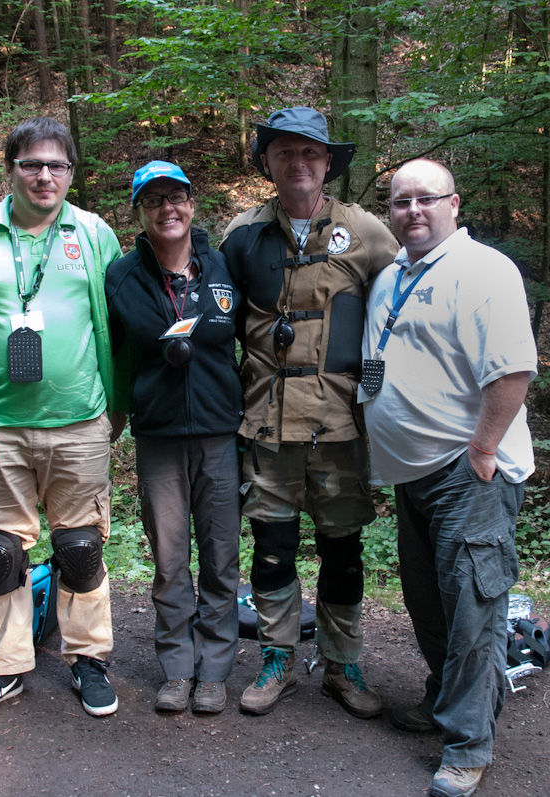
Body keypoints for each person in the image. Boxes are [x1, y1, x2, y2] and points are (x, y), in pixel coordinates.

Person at [0, 116, 123, 725]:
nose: (45, 175)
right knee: (0, 549)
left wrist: (120, 409)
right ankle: (4, 668)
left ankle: (88, 659)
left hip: (82, 420)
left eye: (57, 165)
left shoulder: (93, 234)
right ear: (9, 167)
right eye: (32, 164)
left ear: (71, 172)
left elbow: (124, 320)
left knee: (81, 545)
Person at [360, 159, 537, 797]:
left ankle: (466, 746)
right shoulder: (390, 278)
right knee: (429, 605)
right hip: (412, 475)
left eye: (425, 199)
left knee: (472, 613)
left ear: (454, 204)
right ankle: (449, 701)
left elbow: (512, 370)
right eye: (400, 201)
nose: (412, 211)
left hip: (468, 472)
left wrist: (485, 448)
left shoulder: (484, 271)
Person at [220, 107, 398, 718]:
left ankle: (342, 662)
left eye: (310, 154)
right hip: (266, 420)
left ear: (328, 164)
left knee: (342, 546)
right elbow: (220, 322)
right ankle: (277, 658)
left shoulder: (369, 232)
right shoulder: (242, 234)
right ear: (267, 163)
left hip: (342, 423)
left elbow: (402, 314)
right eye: (284, 153)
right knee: (272, 544)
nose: (298, 164)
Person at [105, 161, 243, 714]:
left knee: (221, 555)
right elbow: (126, 348)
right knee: (169, 558)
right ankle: (177, 667)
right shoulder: (122, 276)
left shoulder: (224, 266)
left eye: (177, 197)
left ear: (192, 203)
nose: (169, 208)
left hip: (218, 432)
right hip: (159, 435)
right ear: (139, 211)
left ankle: (213, 670)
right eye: (155, 199)